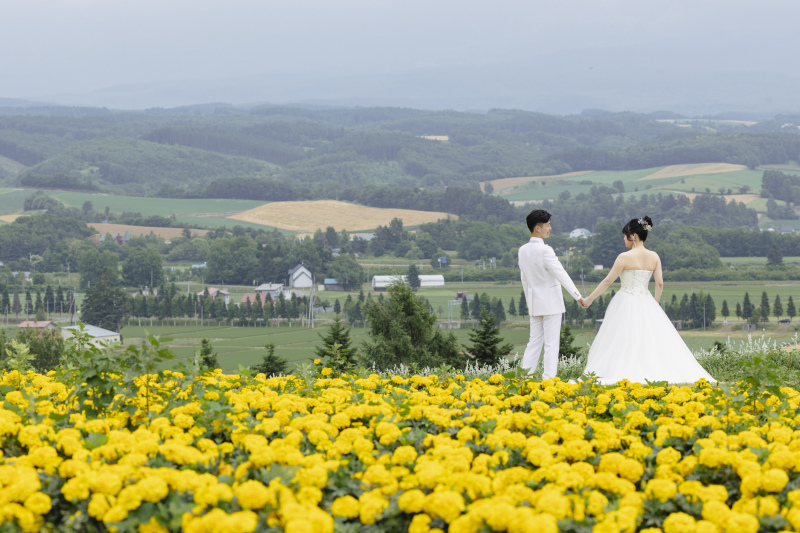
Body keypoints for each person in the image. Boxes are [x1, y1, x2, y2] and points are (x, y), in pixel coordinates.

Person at [580, 217, 715, 384]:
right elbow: (659, 283)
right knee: (650, 339)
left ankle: (624, 370)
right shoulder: (654, 256)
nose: (623, 239)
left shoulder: (624, 257)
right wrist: (655, 304)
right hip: (647, 300)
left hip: (626, 301)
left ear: (633, 236)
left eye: (625, 235)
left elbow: (608, 281)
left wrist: (589, 299)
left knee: (622, 338)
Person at [519, 209, 584, 379]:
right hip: (552, 304)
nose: (550, 228)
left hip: (534, 303)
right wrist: (578, 296)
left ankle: (524, 378)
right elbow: (561, 274)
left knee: (534, 342)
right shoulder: (545, 250)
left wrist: (529, 301)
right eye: (548, 225)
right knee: (551, 344)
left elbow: (524, 279)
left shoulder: (522, 250)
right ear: (537, 228)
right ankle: (548, 380)